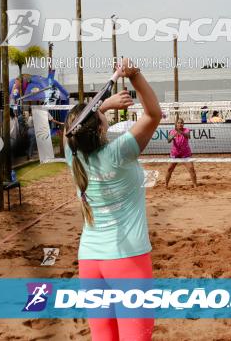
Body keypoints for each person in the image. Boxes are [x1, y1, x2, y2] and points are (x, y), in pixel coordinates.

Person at [64, 59, 159, 341]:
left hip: (90, 261)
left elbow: (74, 130)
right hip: (127, 260)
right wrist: (135, 75)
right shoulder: (118, 153)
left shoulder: (73, 157)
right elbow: (153, 114)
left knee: (104, 337)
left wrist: (103, 107)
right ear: (99, 126)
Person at [165, 118, 197, 187]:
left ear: (183, 124)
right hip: (175, 153)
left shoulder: (186, 130)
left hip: (185, 153)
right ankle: (166, 185)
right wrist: (175, 134)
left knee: (191, 168)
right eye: (179, 123)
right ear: (176, 124)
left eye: (181, 123)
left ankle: (195, 185)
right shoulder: (172, 131)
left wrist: (181, 132)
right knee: (169, 169)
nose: (180, 124)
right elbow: (169, 140)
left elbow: (188, 136)